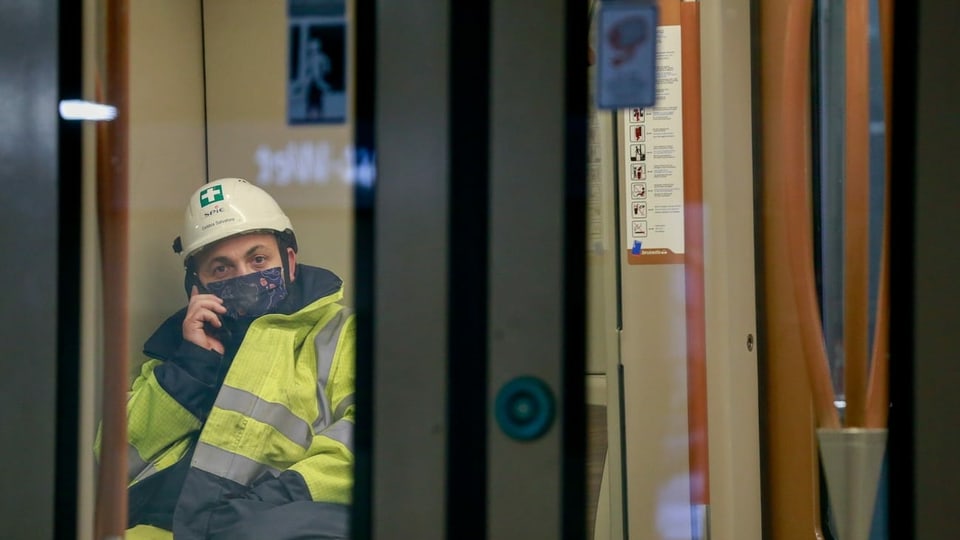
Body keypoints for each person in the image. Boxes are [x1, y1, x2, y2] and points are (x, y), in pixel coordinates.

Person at [102, 178, 355, 540]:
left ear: (290, 261)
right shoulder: (178, 352)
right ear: (197, 285)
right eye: (221, 268)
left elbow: (372, 439)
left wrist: (275, 501)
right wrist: (190, 367)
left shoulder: (344, 334)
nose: (245, 277)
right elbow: (109, 460)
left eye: (258, 259)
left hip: (276, 524)